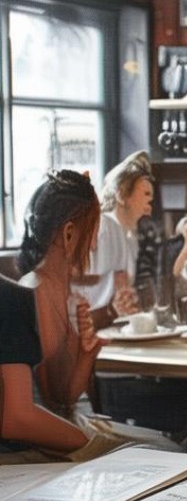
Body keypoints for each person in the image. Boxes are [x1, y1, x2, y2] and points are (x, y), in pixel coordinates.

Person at [1, 170, 104, 454]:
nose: (94, 244)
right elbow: (30, 413)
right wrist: (92, 446)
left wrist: (86, 353)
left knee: (155, 445)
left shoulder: (64, 291)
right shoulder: (29, 292)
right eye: (94, 230)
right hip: (30, 449)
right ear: (69, 233)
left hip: (52, 432)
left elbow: (64, 395)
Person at [72, 151, 154, 329]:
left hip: (111, 327)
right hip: (87, 328)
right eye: (145, 193)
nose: (150, 200)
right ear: (122, 194)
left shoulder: (130, 238)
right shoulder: (104, 227)